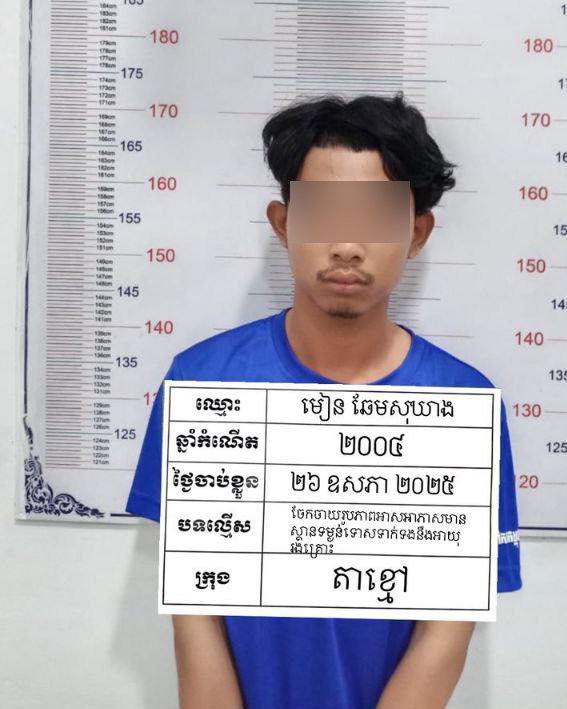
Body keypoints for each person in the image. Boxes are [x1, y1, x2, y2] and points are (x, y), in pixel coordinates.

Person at [126, 91, 522, 709]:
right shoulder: (202, 383)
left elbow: (447, 631)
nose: (347, 245)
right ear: (284, 224)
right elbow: (195, 613)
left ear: (417, 233)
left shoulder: (465, 406)